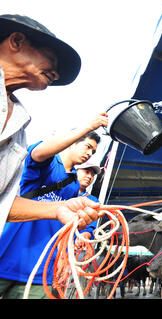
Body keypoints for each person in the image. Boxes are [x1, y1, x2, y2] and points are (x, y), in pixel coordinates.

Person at [0, 14, 104, 237]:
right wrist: (89, 125)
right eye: (51, 59)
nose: (55, 74)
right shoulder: (46, 161)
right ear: (16, 41)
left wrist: (58, 208)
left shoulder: (19, 126)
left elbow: (3, 203)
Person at [0, 115, 107, 299]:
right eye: (87, 147)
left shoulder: (75, 185)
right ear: (72, 142)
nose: (89, 154)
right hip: (8, 255)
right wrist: (88, 126)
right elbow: (39, 153)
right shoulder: (46, 164)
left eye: (93, 152)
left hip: (41, 266)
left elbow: (66, 227)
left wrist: (65, 255)